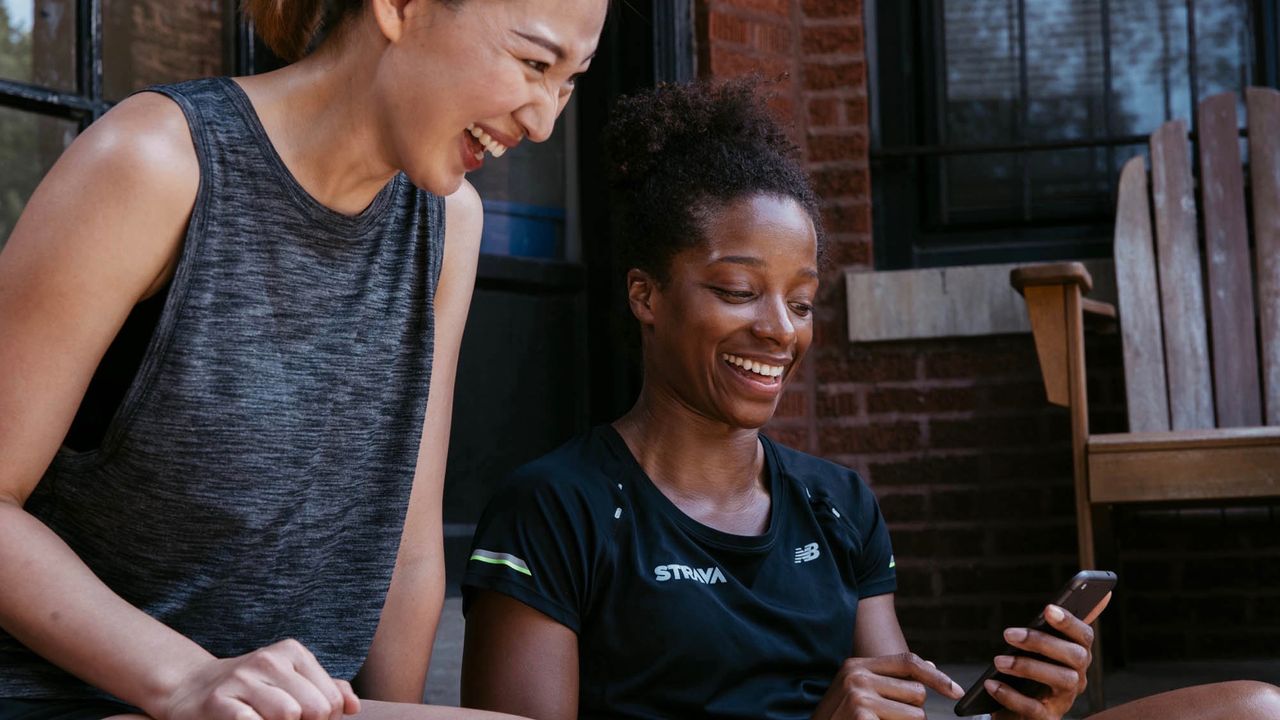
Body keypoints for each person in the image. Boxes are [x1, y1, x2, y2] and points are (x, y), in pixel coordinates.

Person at [457, 79, 1280, 720]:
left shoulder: (835, 503)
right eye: (739, 290)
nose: (780, 330)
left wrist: (1030, 707)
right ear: (646, 295)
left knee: (1253, 705)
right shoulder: (556, 511)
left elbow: (896, 699)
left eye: (803, 301)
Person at [0, 1, 605, 719]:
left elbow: (408, 547)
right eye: (534, 64)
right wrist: (187, 678)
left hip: (308, 707)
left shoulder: (449, 223)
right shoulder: (157, 160)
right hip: (80, 699)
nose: (543, 122)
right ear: (399, 8)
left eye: (570, 81)